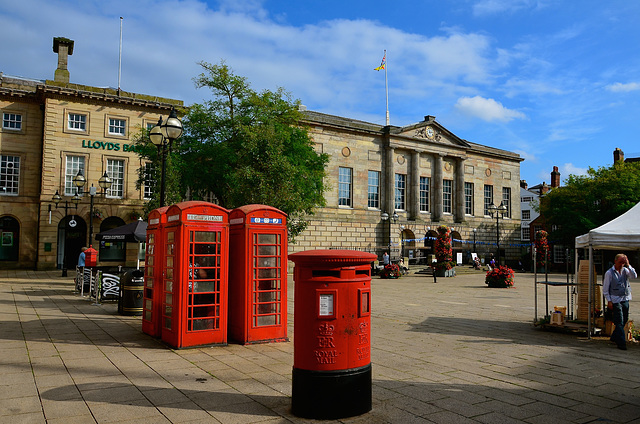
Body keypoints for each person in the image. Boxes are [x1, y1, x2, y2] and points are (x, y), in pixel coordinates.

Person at [603, 253, 637, 350]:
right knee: (619, 320)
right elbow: (605, 289)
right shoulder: (609, 273)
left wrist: (628, 265)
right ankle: (621, 343)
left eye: (623, 262)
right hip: (615, 298)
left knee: (624, 319)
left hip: (625, 298)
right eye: (620, 262)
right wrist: (609, 301)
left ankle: (614, 337)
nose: (621, 264)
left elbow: (634, 276)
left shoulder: (625, 270)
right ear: (615, 261)